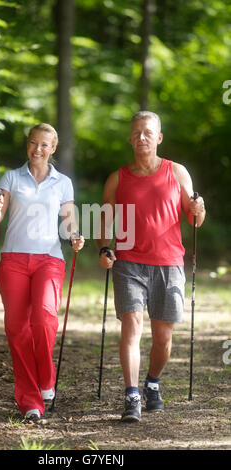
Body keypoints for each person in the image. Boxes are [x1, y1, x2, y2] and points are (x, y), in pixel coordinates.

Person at [97, 111, 206, 422]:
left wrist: (199, 208)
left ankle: (152, 384)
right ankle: (132, 395)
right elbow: (105, 218)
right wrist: (104, 248)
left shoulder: (177, 172)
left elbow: (194, 218)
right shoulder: (118, 178)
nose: (141, 137)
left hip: (168, 263)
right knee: (131, 327)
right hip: (128, 262)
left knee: (163, 337)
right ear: (130, 138)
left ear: (158, 138)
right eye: (136, 133)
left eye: (147, 132)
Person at [0, 123, 84, 422]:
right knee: (18, 330)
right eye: (33, 143)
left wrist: (75, 236)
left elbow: (69, 222)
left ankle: (46, 379)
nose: (37, 149)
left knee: (44, 319)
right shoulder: (11, 177)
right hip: (14, 259)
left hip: (49, 259)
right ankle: (30, 401)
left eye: (44, 145)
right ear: (27, 145)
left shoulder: (62, 182)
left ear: (53, 148)